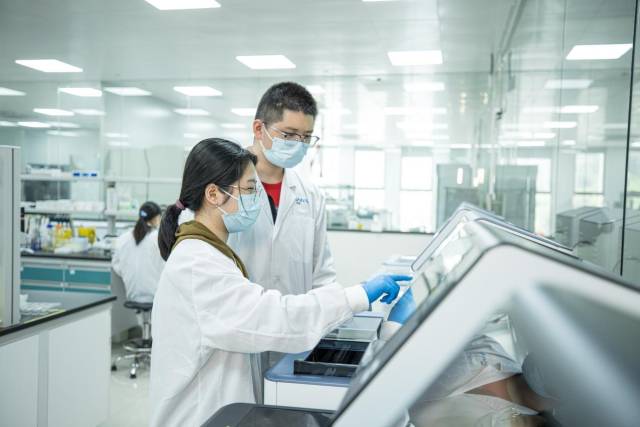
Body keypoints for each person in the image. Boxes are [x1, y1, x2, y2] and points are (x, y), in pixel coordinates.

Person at [149, 138, 410, 427]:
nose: (258, 200)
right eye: (250, 189)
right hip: (199, 416)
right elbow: (271, 316)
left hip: (220, 410)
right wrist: (357, 296)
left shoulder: (209, 252)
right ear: (213, 194)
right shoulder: (197, 263)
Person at [227, 82, 334, 297]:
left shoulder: (311, 195)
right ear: (259, 129)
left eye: (306, 136)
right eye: (289, 134)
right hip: (239, 312)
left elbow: (321, 274)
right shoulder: (223, 184)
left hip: (295, 314)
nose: (299, 143)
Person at [111, 201, 164, 303]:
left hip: (131, 295)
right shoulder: (158, 238)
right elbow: (166, 265)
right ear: (156, 218)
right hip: (154, 297)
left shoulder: (124, 238)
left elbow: (116, 264)